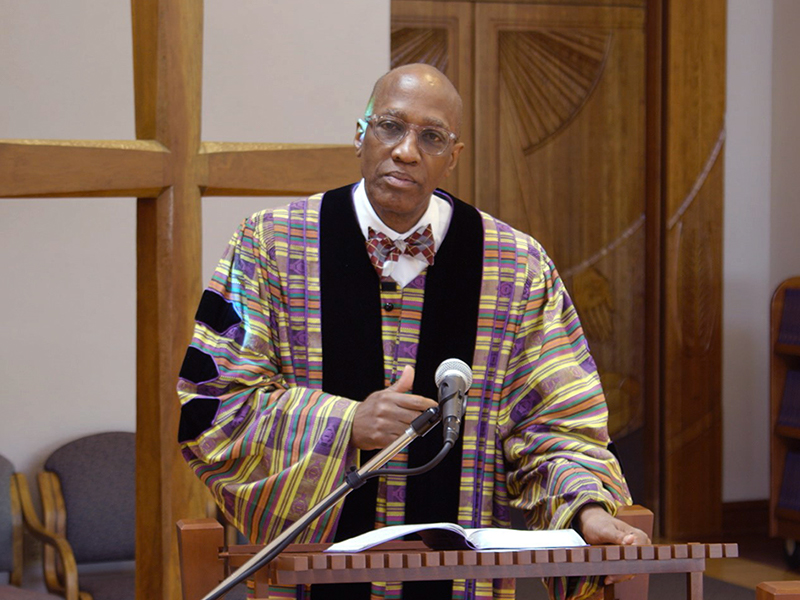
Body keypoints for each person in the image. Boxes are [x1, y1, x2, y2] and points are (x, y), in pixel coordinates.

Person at [177, 63, 648, 600]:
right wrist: (346, 421)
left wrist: (585, 508)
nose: (405, 150)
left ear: (454, 156)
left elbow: (554, 425)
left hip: (462, 586)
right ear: (360, 133)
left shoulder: (517, 268)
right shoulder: (269, 247)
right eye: (390, 126)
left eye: (431, 137)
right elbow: (215, 405)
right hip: (311, 581)